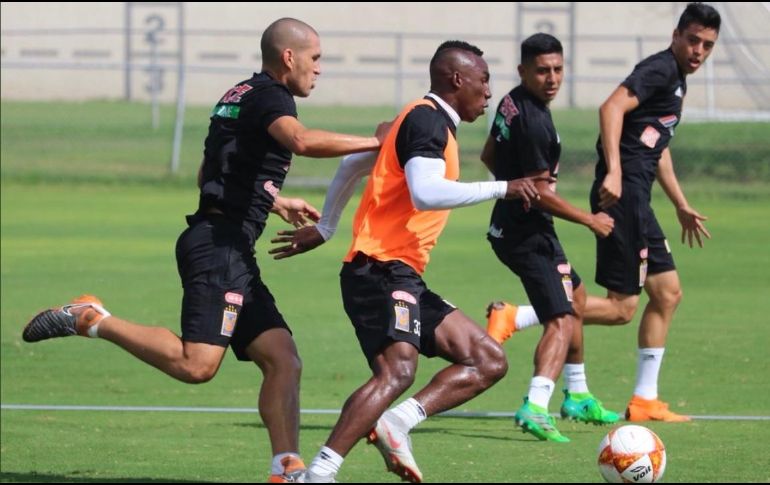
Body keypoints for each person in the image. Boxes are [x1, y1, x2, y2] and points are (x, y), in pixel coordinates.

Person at [22, 17, 389, 483]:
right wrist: (382, 141)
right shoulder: (273, 98)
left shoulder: (238, 95)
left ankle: (286, 468)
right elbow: (301, 140)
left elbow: (209, 174)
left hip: (228, 245)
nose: (320, 70)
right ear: (289, 58)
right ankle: (93, 319)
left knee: (282, 358)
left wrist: (271, 200)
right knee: (196, 366)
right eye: (316, 59)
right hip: (219, 249)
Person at [270, 41, 550, 483]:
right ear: (458, 79)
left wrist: (327, 226)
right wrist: (503, 188)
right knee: (398, 369)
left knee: (487, 358)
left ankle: (396, 423)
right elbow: (426, 191)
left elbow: (356, 163)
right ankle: (317, 474)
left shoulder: (421, 119)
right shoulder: (427, 120)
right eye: (484, 80)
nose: (489, 92)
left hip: (400, 272)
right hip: (379, 268)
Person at [487, 3, 720, 423]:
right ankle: (517, 316)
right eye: (693, 40)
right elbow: (610, 108)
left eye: (707, 45)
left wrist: (681, 203)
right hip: (623, 197)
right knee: (620, 309)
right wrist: (613, 170)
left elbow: (657, 148)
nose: (699, 50)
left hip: (639, 200)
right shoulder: (661, 70)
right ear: (676, 36)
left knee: (668, 294)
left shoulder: (678, 83)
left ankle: (645, 400)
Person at [480, 33, 617, 443]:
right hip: (527, 233)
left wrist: (511, 187)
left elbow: (489, 155)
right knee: (560, 318)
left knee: (574, 297)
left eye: (558, 69)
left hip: (512, 224)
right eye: (542, 71)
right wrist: (590, 220)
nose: (552, 78)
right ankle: (536, 405)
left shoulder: (513, 101)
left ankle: (576, 394)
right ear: (524, 70)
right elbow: (541, 194)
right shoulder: (536, 123)